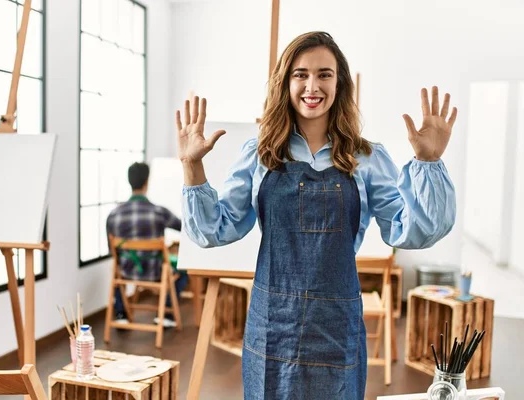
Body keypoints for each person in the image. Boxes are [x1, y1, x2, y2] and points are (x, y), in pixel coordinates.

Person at [177, 31, 457, 399]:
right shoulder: (259, 153)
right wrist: (191, 166)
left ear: (339, 83)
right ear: (285, 83)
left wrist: (429, 162)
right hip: (272, 325)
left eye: (324, 74)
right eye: (300, 74)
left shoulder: (367, 158)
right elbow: (216, 228)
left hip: (336, 329)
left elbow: (412, 231)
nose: (313, 85)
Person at [106, 162, 188, 328]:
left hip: (126, 272)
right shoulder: (159, 212)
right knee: (184, 270)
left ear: (130, 182)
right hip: (154, 271)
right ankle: (165, 313)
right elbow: (184, 228)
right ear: (146, 183)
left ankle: (121, 313)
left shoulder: (113, 215)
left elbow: (111, 251)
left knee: (117, 268)